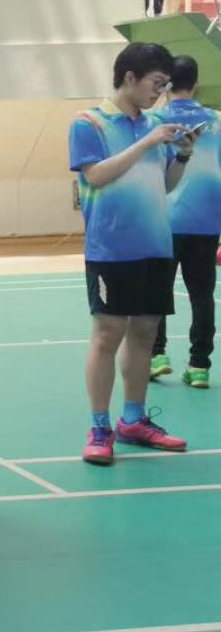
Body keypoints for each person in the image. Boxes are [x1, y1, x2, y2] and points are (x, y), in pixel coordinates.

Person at [71, 43, 193, 465]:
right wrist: (148, 143)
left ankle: (134, 420)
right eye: (156, 83)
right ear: (130, 77)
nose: (159, 93)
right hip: (111, 248)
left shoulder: (156, 124)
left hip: (155, 245)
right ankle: (99, 427)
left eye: (165, 85)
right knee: (108, 335)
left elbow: (166, 183)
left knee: (144, 334)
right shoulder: (89, 122)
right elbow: (96, 175)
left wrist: (182, 154)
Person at [147, 55, 218, 390]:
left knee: (157, 292)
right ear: (197, 82)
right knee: (202, 295)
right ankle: (200, 365)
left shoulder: (155, 121)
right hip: (207, 220)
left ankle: (156, 354)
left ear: (166, 84)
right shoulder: (216, 121)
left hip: (164, 219)